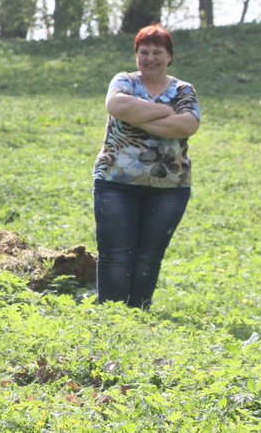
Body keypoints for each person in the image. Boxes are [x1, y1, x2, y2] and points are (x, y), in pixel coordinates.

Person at [91, 24, 201, 309]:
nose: (150, 58)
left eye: (157, 52)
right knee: (115, 253)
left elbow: (187, 125)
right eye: (144, 52)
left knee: (149, 255)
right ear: (136, 55)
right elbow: (117, 106)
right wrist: (166, 110)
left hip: (169, 187)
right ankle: (111, 315)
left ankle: (138, 312)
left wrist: (137, 116)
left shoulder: (183, 89)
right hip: (116, 181)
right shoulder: (125, 81)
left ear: (169, 56)